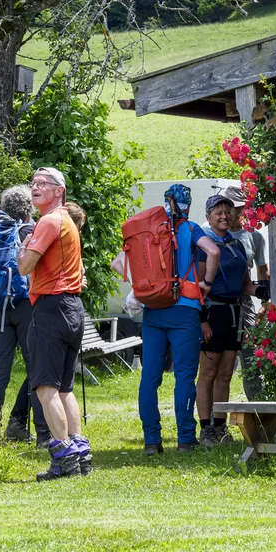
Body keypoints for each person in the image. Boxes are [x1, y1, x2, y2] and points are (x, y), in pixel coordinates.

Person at [112, 184, 219, 454]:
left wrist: (144, 285)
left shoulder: (148, 233)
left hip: (153, 310)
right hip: (185, 312)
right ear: (188, 204)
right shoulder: (191, 229)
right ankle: (185, 439)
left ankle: (151, 441)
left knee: (149, 377)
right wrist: (206, 282)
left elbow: (117, 264)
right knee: (184, 376)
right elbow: (214, 252)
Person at [17, 167, 90, 481]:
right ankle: (81, 454)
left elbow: (24, 267)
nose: (35, 188)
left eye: (42, 184)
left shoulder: (48, 221)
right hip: (73, 308)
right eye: (33, 183)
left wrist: (24, 242)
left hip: (51, 308)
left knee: (46, 388)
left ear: (59, 190)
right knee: (64, 388)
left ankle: (64, 458)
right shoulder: (69, 222)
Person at [0, 185, 51, 445]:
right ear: (28, 208)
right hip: (25, 304)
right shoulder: (29, 231)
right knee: (36, 368)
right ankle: (43, 432)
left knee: (0, 371)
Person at [195, 194, 257, 447]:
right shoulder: (204, 245)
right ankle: (206, 429)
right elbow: (197, 286)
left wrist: (263, 291)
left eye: (227, 211)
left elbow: (245, 285)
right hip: (213, 313)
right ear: (209, 217)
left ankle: (220, 428)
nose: (224, 215)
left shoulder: (238, 244)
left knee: (225, 375)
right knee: (208, 374)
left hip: (235, 313)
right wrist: (202, 321)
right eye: (218, 212)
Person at [218, 183, 270, 400]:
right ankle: (215, 417)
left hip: (244, 300)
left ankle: (258, 409)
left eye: (238, 208)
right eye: (229, 207)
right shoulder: (211, 232)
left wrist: (266, 304)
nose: (233, 212)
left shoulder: (254, 236)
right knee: (219, 360)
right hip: (218, 301)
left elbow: (262, 271)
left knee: (250, 354)